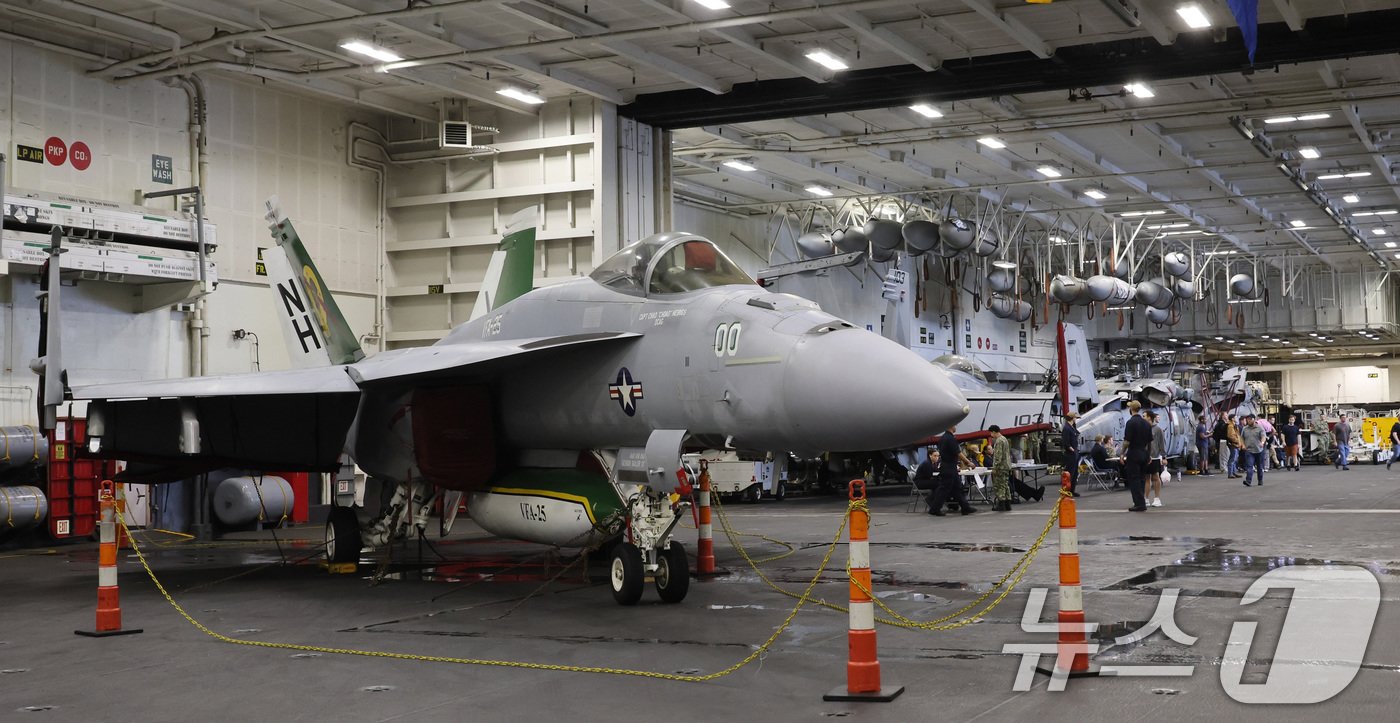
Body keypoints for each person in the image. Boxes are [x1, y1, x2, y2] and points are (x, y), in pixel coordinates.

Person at [929, 425, 977, 516]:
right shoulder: (950, 439)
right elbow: (958, 453)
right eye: (955, 425)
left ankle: (965, 507)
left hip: (948, 466)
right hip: (949, 467)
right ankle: (934, 509)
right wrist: (968, 463)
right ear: (950, 426)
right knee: (944, 489)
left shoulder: (943, 438)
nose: (956, 427)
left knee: (957, 488)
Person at [1121, 401, 1151, 512]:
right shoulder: (1146, 424)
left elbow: (1127, 441)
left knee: (1134, 479)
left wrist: (1122, 453)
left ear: (1131, 409)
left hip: (1134, 453)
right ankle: (1141, 501)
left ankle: (1139, 503)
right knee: (1142, 478)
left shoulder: (1130, 423)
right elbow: (1149, 442)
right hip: (1144, 453)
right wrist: (1148, 455)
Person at [989, 425, 1013, 511]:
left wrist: (995, 467)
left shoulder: (998, 441)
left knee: (999, 486)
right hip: (1007, 465)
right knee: (1006, 485)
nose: (991, 435)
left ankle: (1001, 504)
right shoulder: (1004, 439)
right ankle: (1008, 504)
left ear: (994, 432)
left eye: (991, 433)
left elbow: (998, 456)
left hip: (1001, 467)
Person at [1144, 410, 1165, 507]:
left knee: (1155, 477)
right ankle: (1146, 498)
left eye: (1144, 416)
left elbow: (1161, 443)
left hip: (1155, 457)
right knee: (1146, 478)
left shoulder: (1158, 429)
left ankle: (1157, 498)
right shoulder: (1143, 429)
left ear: (1149, 417)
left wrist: (1164, 457)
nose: (1143, 417)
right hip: (1145, 456)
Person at [1240, 414, 1266, 487]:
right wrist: (1243, 445)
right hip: (1249, 450)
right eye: (1247, 420)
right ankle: (1248, 481)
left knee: (1259, 467)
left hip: (1259, 450)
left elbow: (1263, 436)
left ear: (1254, 419)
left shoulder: (1260, 428)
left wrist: (1262, 442)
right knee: (1249, 466)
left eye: (1249, 420)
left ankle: (1260, 480)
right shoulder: (1245, 429)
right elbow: (1241, 438)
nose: (1248, 421)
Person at [1061, 412, 1081, 497]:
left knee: (1075, 473)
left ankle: (1072, 490)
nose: (1076, 419)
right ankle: (1067, 490)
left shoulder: (1072, 427)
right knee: (1070, 473)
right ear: (1072, 418)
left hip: (1075, 452)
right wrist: (1071, 449)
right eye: (1075, 418)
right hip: (1071, 453)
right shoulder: (1067, 428)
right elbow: (1066, 441)